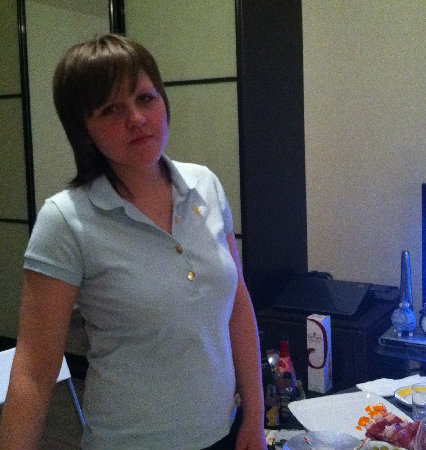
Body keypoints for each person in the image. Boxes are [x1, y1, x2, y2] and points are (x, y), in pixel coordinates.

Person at [0, 34, 266, 450]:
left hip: (222, 432)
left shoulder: (205, 185)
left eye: (145, 98)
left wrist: (254, 414)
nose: (137, 119)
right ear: (83, 129)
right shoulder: (66, 220)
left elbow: (237, 305)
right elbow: (33, 372)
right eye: (111, 109)